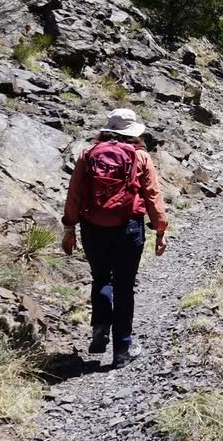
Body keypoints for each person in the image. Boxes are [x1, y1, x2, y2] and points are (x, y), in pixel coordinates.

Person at [61, 107, 168, 367]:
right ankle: (122, 349)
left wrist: (69, 227)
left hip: (92, 225)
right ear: (133, 133)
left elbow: (74, 192)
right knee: (124, 287)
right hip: (128, 227)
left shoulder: (88, 154)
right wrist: (160, 229)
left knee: (100, 278)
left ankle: (99, 328)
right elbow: (152, 195)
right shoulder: (140, 156)